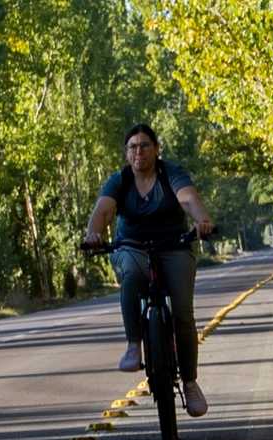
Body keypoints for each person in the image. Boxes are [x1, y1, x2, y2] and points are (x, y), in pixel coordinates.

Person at [83, 124, 214, 418]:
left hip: (173, 246)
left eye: (144, 145)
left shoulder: (171, 173)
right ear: (126, 153)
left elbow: (188, 198)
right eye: (132, 147)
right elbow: (103, 211)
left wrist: (202, 220)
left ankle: (190, 383)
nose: (138, 151)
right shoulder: (120, 180)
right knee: (131, 274)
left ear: (156, 149)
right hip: (132, 246)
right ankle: (134, 346)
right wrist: (94, 234)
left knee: (183, 313)